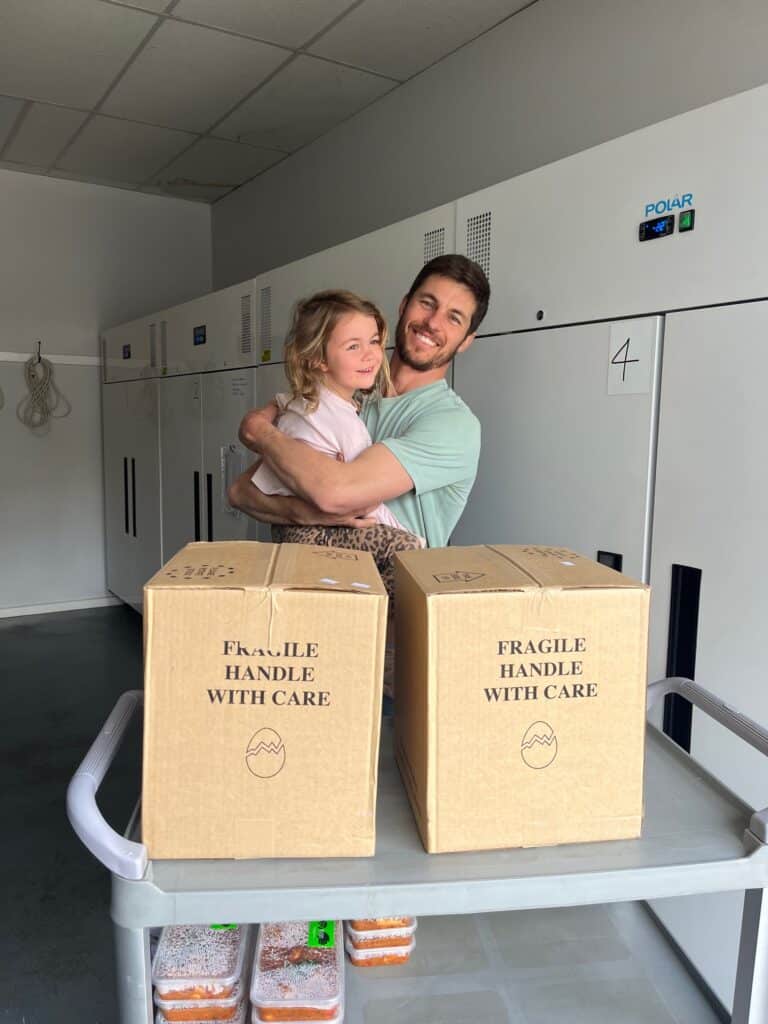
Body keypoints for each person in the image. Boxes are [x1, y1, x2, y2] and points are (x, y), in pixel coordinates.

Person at [228, 254, 490, 559]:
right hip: (314, 576)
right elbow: (241, 492)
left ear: (466, 340)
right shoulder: (344, 394)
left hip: (389, 586)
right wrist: (305, 513)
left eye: (454, 318)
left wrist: (259, 432)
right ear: (404, 304)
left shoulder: (453, 424)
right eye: (427, 303)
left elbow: (335, 493)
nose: (433, 323)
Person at [249, 288, 425, 605]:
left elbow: (258, 482)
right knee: (407, 553)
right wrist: (411, 537)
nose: (370, 354)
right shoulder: (338, 418)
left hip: (287, 531)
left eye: (373, 341)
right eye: (353, 346)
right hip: (320, 533)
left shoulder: (298, 405)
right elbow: (363, 501)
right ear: (318, 359)